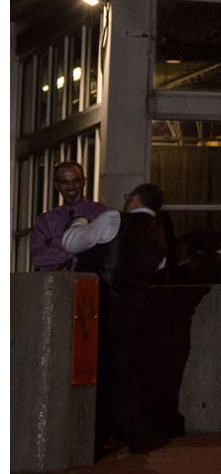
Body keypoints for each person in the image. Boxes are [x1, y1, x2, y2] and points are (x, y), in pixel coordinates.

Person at [69, 183, 169, 457]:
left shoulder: (114, 219)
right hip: (133, 311)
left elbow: (72, 243)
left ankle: (97, 438)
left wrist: (79, 222)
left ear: (135, 199)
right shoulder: (159, 239)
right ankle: (135, 436)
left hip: (98, 307)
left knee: (95, 370)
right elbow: (155, 270)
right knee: (124, 372)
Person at [30, 161, 107, 272]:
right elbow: (38, 258)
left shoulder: (100, 213)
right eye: (65, 182)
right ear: (57, 185)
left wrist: (55, 243)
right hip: (54, 283)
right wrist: (78, 248)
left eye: (75, 181)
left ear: (83, 182)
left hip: (90, 281)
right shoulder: (45, 221)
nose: (71, 187)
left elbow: (102, 253)